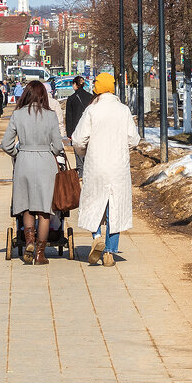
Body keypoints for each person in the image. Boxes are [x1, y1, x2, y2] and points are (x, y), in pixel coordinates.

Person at [72, 72, 140, 267]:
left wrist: (84, 151)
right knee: (115, 207)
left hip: (96, 164)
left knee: (94, 202)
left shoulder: (92, 110)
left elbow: (78, 139)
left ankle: (96, 237)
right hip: (118, 166)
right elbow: (134, 139)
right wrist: (122, 148)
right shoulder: (124, 110)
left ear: (97, 88)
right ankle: (110, 251)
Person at [0, 80, 64, 265]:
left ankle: (29, 242)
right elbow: (58, 145)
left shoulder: (18, 115)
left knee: (26, 206)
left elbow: (6, 144)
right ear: (43, 95)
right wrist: (50, 152)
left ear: (26, 94)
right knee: (44, 210)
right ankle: (40, 254)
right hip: (45, 163)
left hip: (24, 162)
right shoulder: (50, 116)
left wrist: (18, 153)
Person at [64, 75, 94, 169]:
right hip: (89, 129)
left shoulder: (71, 98)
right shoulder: (91, 97)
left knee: (78, 155)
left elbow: (69, 117)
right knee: (88, 153)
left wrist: (69, 134)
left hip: (76, 130)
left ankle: (80, 172)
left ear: (75, 84)